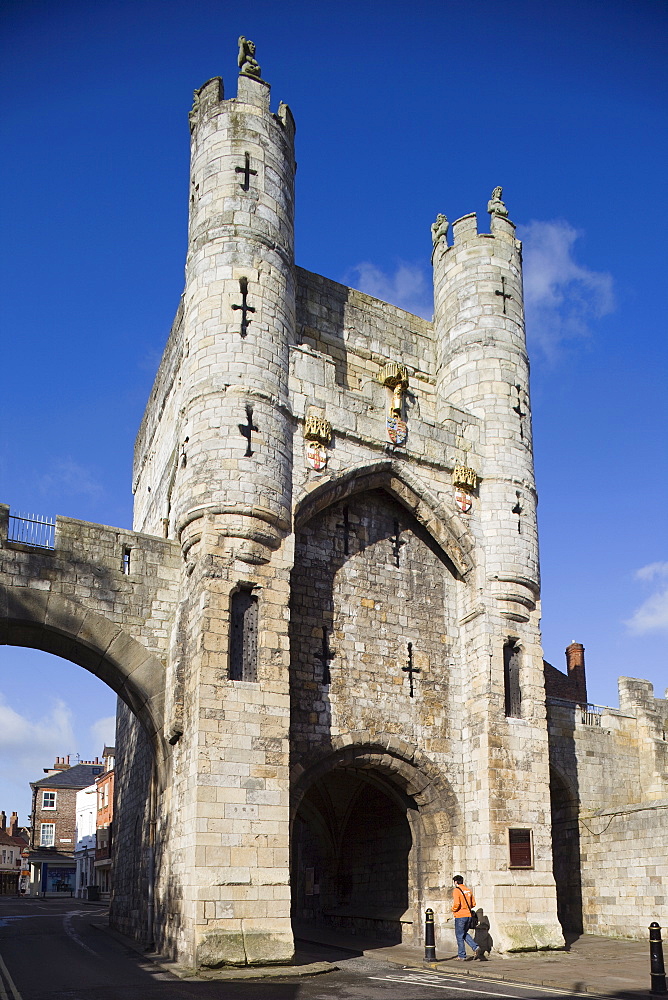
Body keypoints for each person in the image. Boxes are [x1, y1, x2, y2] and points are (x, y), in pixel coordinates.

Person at [452, 874, 480, 960]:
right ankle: (475, 947)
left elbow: (457, 904)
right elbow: (473, 904)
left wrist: (453, 909)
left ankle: (461, 955)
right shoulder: (468, 890)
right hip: (468, 915)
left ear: (456, 882)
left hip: (460, 916)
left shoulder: (457, 890)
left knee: (459, 935)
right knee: (463, 933)